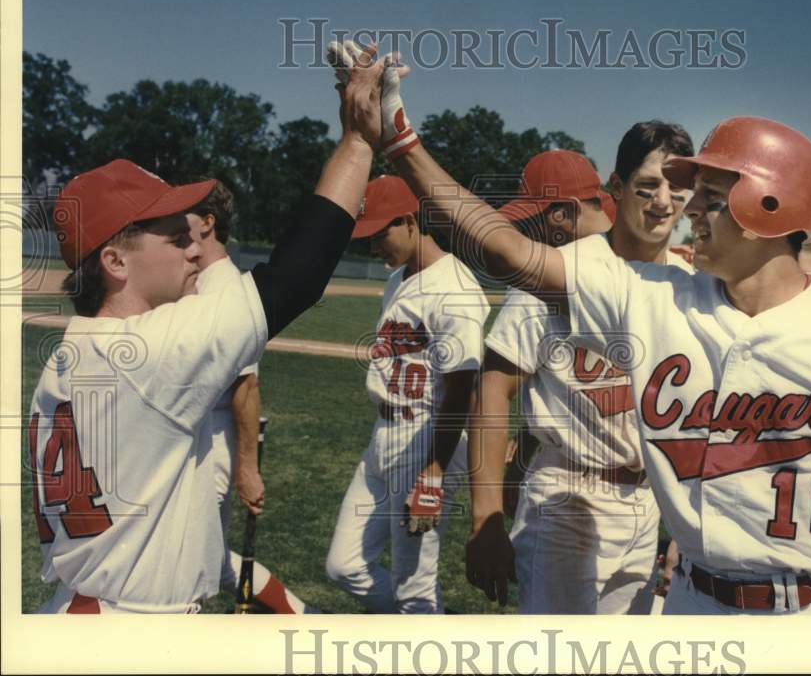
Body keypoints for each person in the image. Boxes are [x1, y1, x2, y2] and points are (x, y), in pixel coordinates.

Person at [342, 46, 811, 615]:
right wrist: (400, 137)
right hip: (694, 601)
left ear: (769, 206)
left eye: (710, 195)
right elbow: (511, 254)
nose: (687, 208)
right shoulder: (655, 295)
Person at [27, 41, 379, 613]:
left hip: (90, 611)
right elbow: (295, 278)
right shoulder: (147, 354)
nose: (194, 249)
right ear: (116, 263)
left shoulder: (82, 348)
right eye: (174, 237)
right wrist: (360, 140)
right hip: (131, 633)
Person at [466, 133, 693, 614]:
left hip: (648, 499)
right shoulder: (552, 278)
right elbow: (493, 389)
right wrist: (484, 519)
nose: (662, 201)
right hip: (568, 496)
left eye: (674, 188)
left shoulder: (686, 281)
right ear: (617, 186)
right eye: (647, 185)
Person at [324, 175, 489, 613]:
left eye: (381, 234)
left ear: (411, 221)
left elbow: (462, 390)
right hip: (384, 436)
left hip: (425, 440)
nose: (374, 246)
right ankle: (420, 625)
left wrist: (433, 472)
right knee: (343, 566)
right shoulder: (398, 278)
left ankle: (419, 630)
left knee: (413, 585)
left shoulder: (454, 289)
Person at [185, 179, 313, 613]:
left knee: (194, 573)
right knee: (216, 565)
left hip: (216, 439)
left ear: (207, 222)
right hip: (200, 433)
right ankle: (305, 617)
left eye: (182, 215)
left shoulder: (225, 290)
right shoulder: (201, 282)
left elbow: (246, 388)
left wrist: (247, 469)